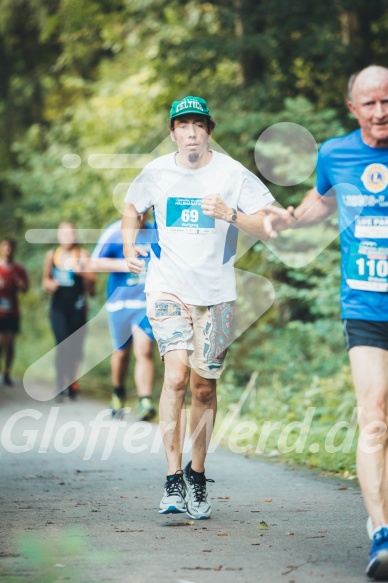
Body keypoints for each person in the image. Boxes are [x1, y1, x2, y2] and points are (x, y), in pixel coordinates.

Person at [122, 95, 274, 520]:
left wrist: (231, 214)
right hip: (167, 288)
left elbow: (269, 221)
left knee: (204, 388)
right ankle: (172, 478)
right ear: (172, 132)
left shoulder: (231, 174)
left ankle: (197, 473)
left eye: (199, 125)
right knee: (175, 375)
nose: (191, 132)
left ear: (210, 131)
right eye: (183, 125)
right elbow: (132, 208)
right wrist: (130, 244)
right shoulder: (156, 172)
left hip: (219, 295)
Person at [265, 65, 388, 579]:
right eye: (370, 103)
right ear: (353, 108)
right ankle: (382, 533)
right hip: (365, 306)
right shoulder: (336, 153)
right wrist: (285, 217)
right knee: (375, 414)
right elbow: (320, 200)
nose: (380, 112)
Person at [91, 214, 157, 421]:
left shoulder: (157, 231)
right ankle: (118, 392)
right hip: (119, 302)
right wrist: (124, 265)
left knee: (144, 349)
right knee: (121, 353)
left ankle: (145, 400)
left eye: (145, 210)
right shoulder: (114, 231)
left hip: (145, 302)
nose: (141, 215)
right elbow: (94, 264)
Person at [42, 222, 96, 400]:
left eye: (70, 234)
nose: (67, 237)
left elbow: (92, 281)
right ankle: (59, 385)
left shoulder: (81, 255)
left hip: (78, 309)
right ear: (58, 236)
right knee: (62, 345)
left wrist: (82, 272)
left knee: (75, 349)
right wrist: (51, 285)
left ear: (75, 236)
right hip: (58, 309)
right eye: (63, 234)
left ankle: (72, 382)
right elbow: (45, 281)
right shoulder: (52, 255)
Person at [0, 238, 29, 386]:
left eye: (10, 248)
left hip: (12, 312)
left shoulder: (19, 270)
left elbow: (25, 289)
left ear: (14, 250)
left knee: (10, 343)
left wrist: (20, 283)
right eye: (5, 247)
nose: (7, 250)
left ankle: (7, 373)